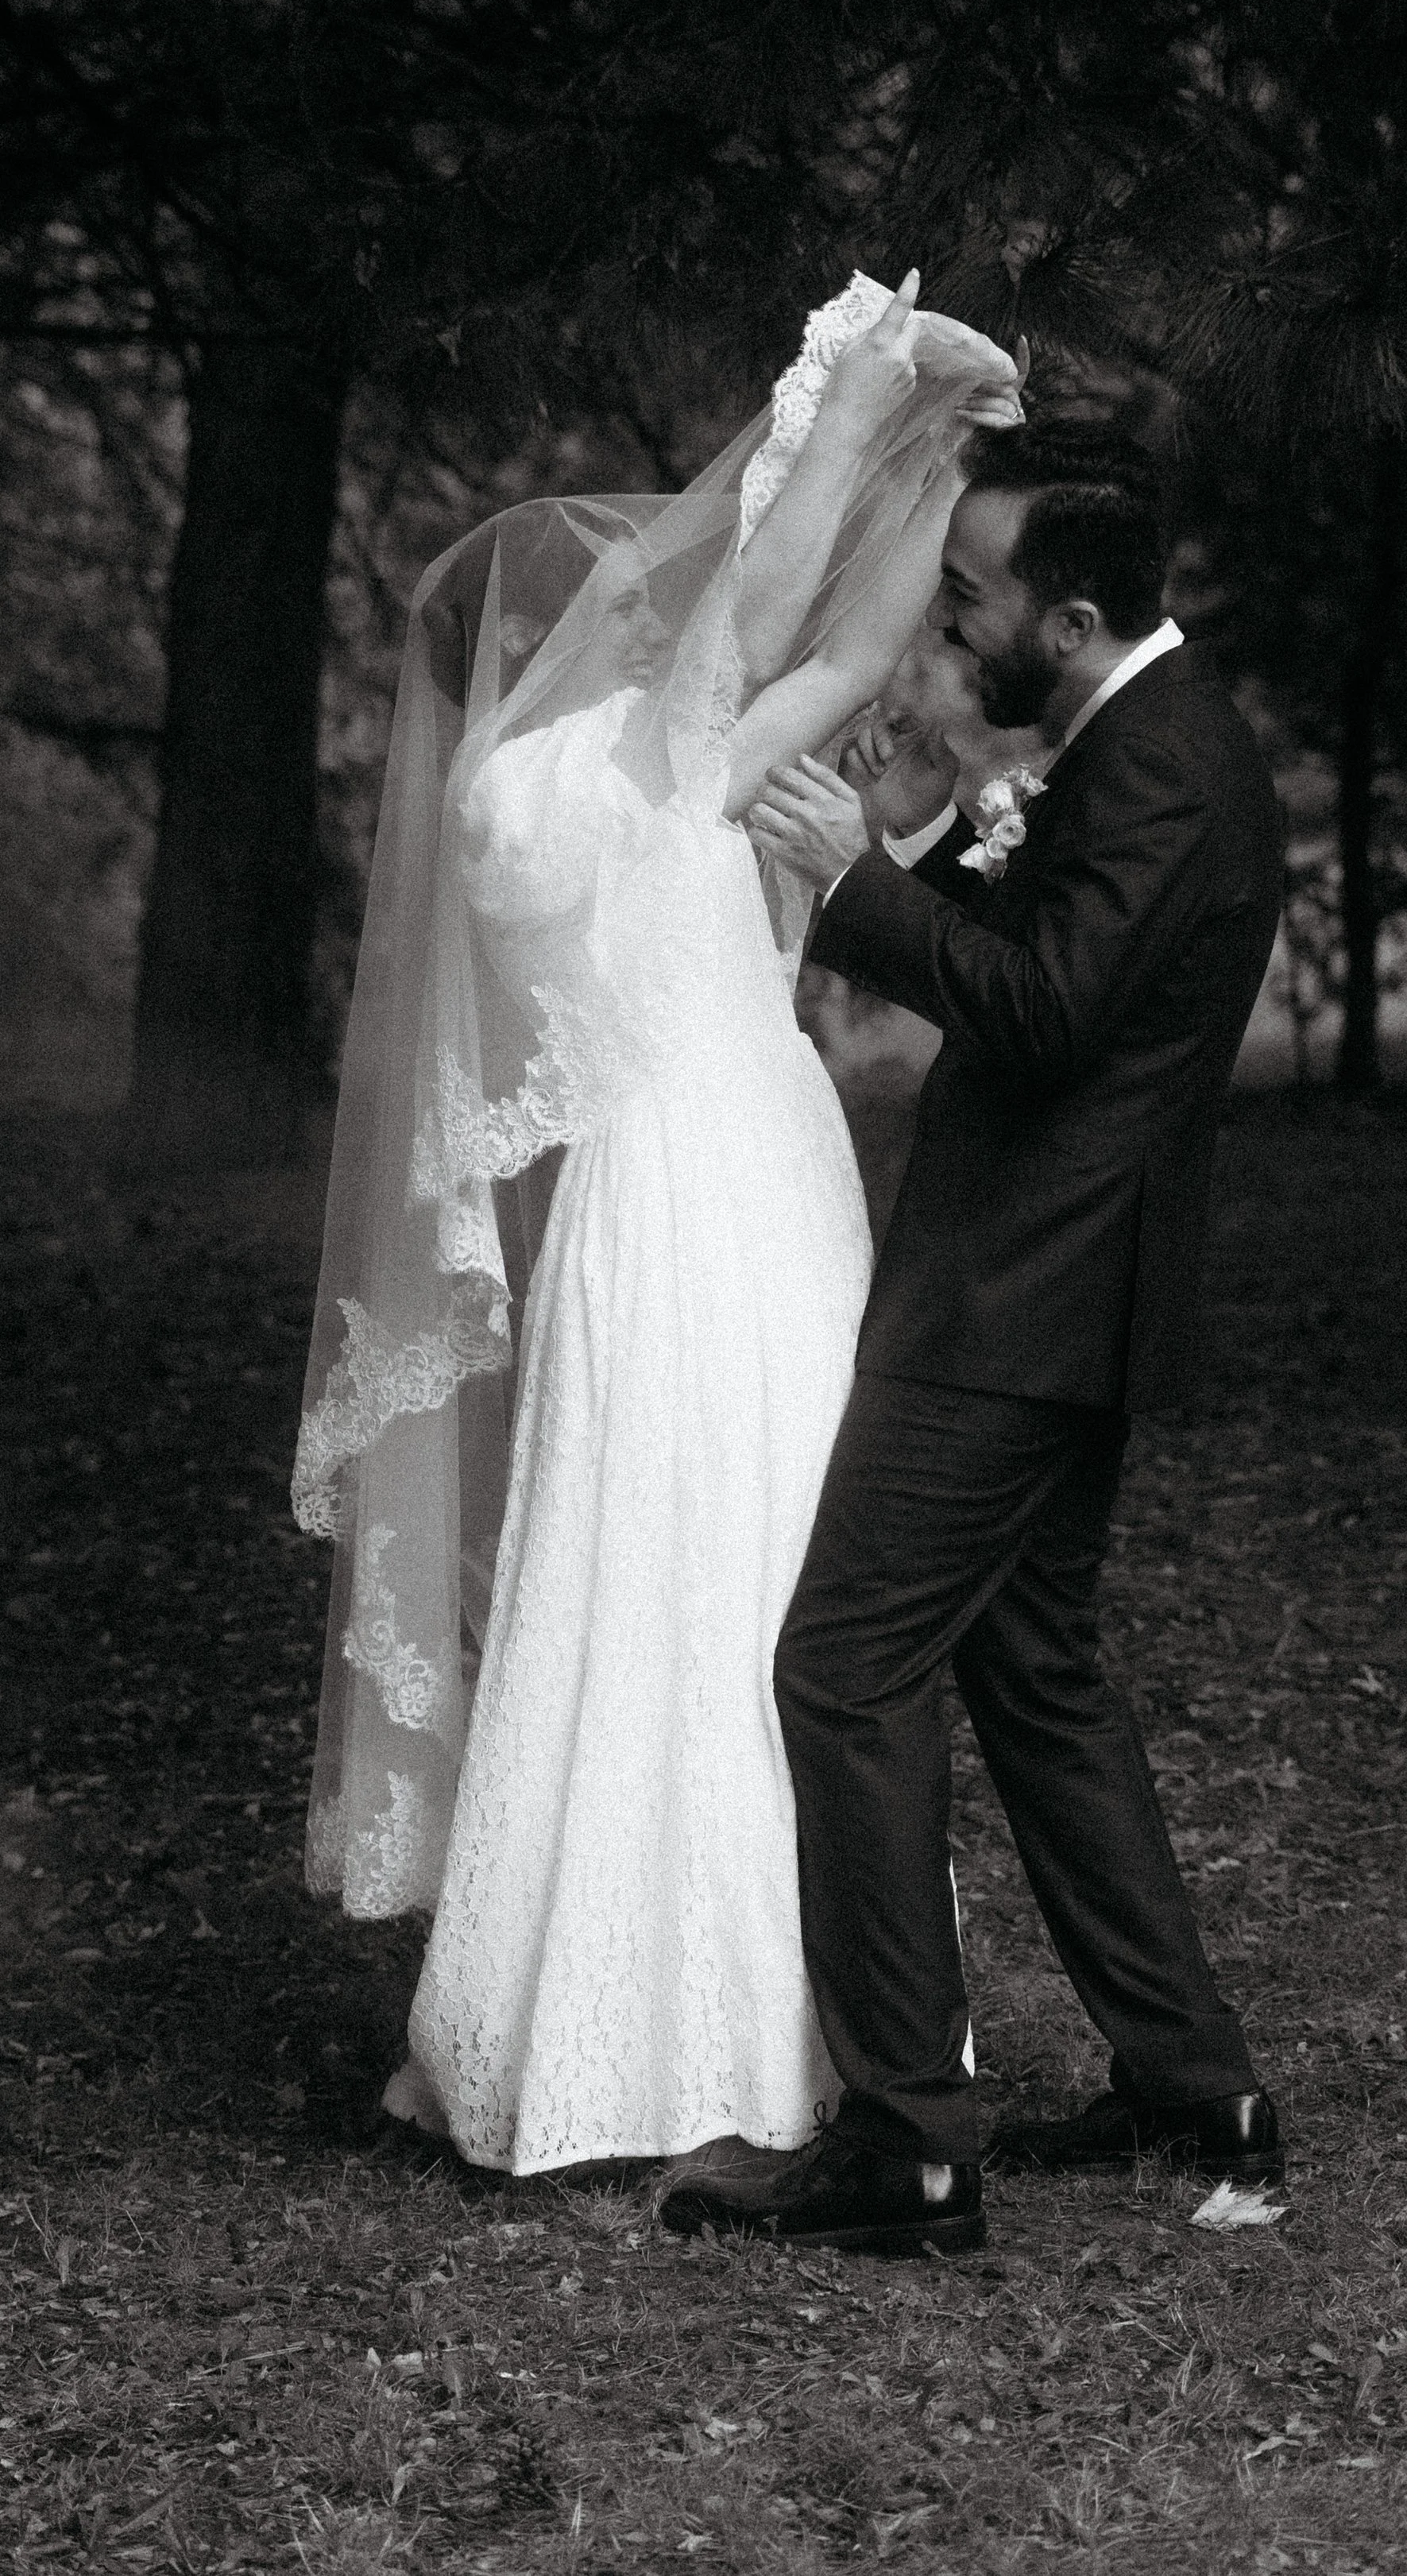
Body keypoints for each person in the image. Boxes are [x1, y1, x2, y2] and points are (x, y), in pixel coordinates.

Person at [291, 272, 1022, 2173]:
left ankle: (705, 2009)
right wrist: (871, 400)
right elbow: (788, 612)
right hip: (713, 1196)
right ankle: (716, 2029)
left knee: (727, 1558)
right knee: (730, 1566)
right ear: (529, 652)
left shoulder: (589, 776)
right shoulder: (572, 779)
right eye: (596, 600)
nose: (637, 599)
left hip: (716, 1191)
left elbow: (826, 641)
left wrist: (929, 445)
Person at [663, 420, 1287, 2254]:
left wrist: (856, 883)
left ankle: (909, 2147)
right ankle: (1193, 2085)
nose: (943, 619)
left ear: (1070, 618)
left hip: (1016, 1305)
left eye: (968, 596)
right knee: (1034, 1677)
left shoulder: (1161, 770)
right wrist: (916, 854)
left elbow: (1033, 1012)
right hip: (1055, 1291)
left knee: (843, 1670)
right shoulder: (1133, 739)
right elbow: (1037, 954)